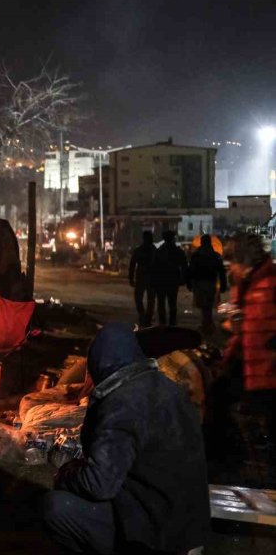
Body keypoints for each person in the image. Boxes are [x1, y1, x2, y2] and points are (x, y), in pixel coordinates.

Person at [42, 323, 209, 555]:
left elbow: (99, 484)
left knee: (57, 507)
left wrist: (66, 474)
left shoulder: (122, 403)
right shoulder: (170, 388)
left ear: (99, 364)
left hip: (156, 539)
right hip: (187, 528)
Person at [216, 233, 276, 461]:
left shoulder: (270, 282)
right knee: (220, 394)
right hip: (251, 365)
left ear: (245, 262)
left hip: (268, 369)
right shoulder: (245, 286)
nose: (231, 269)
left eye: (233, 264)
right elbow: (243, 329)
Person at [188, 234, 228, 335]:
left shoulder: (196, 256)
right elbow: (221, 272)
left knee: (203, 305)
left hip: (199, 283)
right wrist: (223, 284)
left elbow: (191, 271)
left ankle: (206, 324)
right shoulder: (215, 256)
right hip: (211, 283)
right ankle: (208, 324)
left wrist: (189, 283)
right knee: (208, 305)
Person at [150, 230, 189, 326]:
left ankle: (163, 322)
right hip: (172, 280)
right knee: (172, 302)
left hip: (161, 280)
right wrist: (184, 279)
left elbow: (154, 267)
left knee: (161, 302)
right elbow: (184, 266)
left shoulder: (159, 251)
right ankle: (172, 323)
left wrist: (153, 280)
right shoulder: (178, 251)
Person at [128, 231, 157, 327]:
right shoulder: (153, 250)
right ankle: (146, 316)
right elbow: (132, 264)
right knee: (149, 299)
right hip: (149, 277)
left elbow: (132, 264)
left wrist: (131, 278)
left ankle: (144, 316)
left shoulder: (141, 250)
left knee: (142, 298)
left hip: (144, 277)